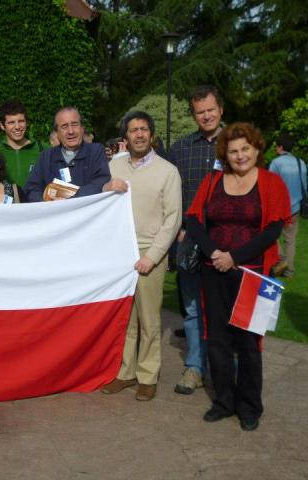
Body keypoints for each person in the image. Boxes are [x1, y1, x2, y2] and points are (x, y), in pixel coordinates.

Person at [186, 122, 290, 431]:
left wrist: (234, 257)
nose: (240, 155)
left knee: (248, 342)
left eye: (245, 149)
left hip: (254, 274)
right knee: (217, 339)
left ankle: (249, 406)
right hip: (214, 271)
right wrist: (214, 253)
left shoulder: (271, 182)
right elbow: (193, 219)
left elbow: (273, 228)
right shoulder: (213, 180)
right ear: (225, 154)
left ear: (257, 149)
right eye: (233, 151)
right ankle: (223, 401)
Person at [102, 111, 181, 401]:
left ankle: (148, 376)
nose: (139, 134)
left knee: (148, 320)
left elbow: (172, 219)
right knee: (125, 318)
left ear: (152, 134)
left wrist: (154, 256)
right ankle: (125, 372)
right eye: (133, 130)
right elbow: (100, 199)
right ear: (126, 136)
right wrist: (104, 185)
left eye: (144, 129)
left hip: (150, 254)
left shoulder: (167, 171)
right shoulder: (114, 165)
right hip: (119, 253)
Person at [168, 85, 225, 396]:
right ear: (194, 114)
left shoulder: (237, 144)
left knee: (223, 310)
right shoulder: (180, 149)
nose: (205, 116)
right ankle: (195, 367)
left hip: (226, 242)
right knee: (191, 308)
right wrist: (177, 227)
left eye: (210, 109)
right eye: (200, 111)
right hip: (189, 242)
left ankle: (225, 370)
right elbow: (172, 195)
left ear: (221, 110)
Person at [24, 106, 127, 201]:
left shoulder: (96, 151)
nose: (71, 131)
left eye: (75, 124)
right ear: (57, 133)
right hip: (56, 217)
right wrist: (47, 201)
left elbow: (101, 182)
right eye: (64, 126)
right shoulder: (45, 157)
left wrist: (69, 198)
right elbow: (32, 190)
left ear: (82, 128)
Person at [269, 133, 307, 278]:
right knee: (290, 239)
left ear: (281, 147)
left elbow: (270, 186)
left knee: (271, 234)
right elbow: (304, 185)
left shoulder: (276, 163)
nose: (275, 148)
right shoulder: (301, 162)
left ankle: (282, 258)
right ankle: (289, 271)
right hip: (296, 206)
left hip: (279, 206)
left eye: (276, 146)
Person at [0, 100, 48, 188]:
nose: (17, 127)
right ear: (2, 125)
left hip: (37, 201)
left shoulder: (43, 149)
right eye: (11, 122)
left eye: (21, 121)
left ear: (26, 122)